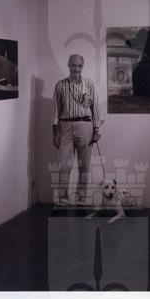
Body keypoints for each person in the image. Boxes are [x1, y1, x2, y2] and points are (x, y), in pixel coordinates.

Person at [52, 54, 101, 206]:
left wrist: (96, 130)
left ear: (82, 67)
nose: (76, 68)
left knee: (84, 165)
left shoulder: (89, 84)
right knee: (64, 166)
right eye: (73, 65)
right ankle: (63, 198)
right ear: (68, 65)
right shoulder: (60, 85)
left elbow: (95, 108)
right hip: (65, 126)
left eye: (79, 65)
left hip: (85, 126)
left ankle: (81, 197)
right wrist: (55, 133)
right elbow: (56, 111)